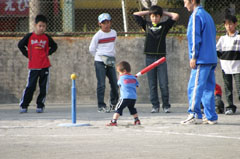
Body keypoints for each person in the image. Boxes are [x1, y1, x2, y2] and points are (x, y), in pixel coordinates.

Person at [133, 5, 179, 113]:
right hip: (149, 57)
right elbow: (135, 14)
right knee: (152, 84)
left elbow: (176, 16)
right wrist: (150, 11)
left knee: (163, 83)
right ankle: (155, 106)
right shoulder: (146, 25)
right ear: (150, 17)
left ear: (160, 17)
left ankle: (166, 106)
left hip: (161, 59)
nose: (155, 18)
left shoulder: (164, 26)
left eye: (157, 16)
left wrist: (162, 12)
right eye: (153, 16)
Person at [181, 0, 218, 124]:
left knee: (194, 87)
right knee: (208, 88)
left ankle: (194, 114)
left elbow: (194, 37)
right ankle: (211, 116)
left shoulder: (196, 16)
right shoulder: (207, 15)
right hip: (211, 57)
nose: (184, 5)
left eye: (186, 1)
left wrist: (193, 56)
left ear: (192, 1)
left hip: (202, 58)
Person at [18, 14, 58, 113]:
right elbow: (20, 45)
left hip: (45, 66)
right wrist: (28, 55)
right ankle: (24, 105)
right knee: (30, 86)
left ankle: (40, 105)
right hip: (33, 67)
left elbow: (54, 46)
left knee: (43, 87)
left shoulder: (46, 37)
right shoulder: (29, 36)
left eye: (43, 26)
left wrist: (48, 53)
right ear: (35, 25)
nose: (41, 28)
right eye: (40, 26)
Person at [89, 13, 119, 113]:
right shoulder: (97, 35)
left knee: (115, 83)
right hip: (100, 61)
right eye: (104, 23)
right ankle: (101, 105)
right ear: (99, 24)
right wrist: (99, 57)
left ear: (111, 22)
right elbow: (91, 49)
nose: (106, 25)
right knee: (101, 84)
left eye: (108, 22)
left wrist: (110, 56)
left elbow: (112, 46)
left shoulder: (114, 33)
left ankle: (113, 104)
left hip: (110, 61)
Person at [216, 14, 240, 115]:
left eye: (230, 24)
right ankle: (230, 107)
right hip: (226, 68)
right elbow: (217, 51)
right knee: (228, 88)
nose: (228, 26)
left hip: (238, 68)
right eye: (226, 24)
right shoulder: (222, 39)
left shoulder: (239, 37)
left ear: (235, 24)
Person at [106, 61, 140, 126]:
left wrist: (121, 78)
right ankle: (137, 120)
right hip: (133, 98)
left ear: (124, 71)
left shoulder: (121, 78)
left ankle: (114, 121)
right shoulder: (133, 78)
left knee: (118, 109)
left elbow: (119, 85)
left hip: (125, 97)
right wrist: (132, 79)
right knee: (132, 109)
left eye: (119, 72)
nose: (119, 74)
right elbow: (137, 85)